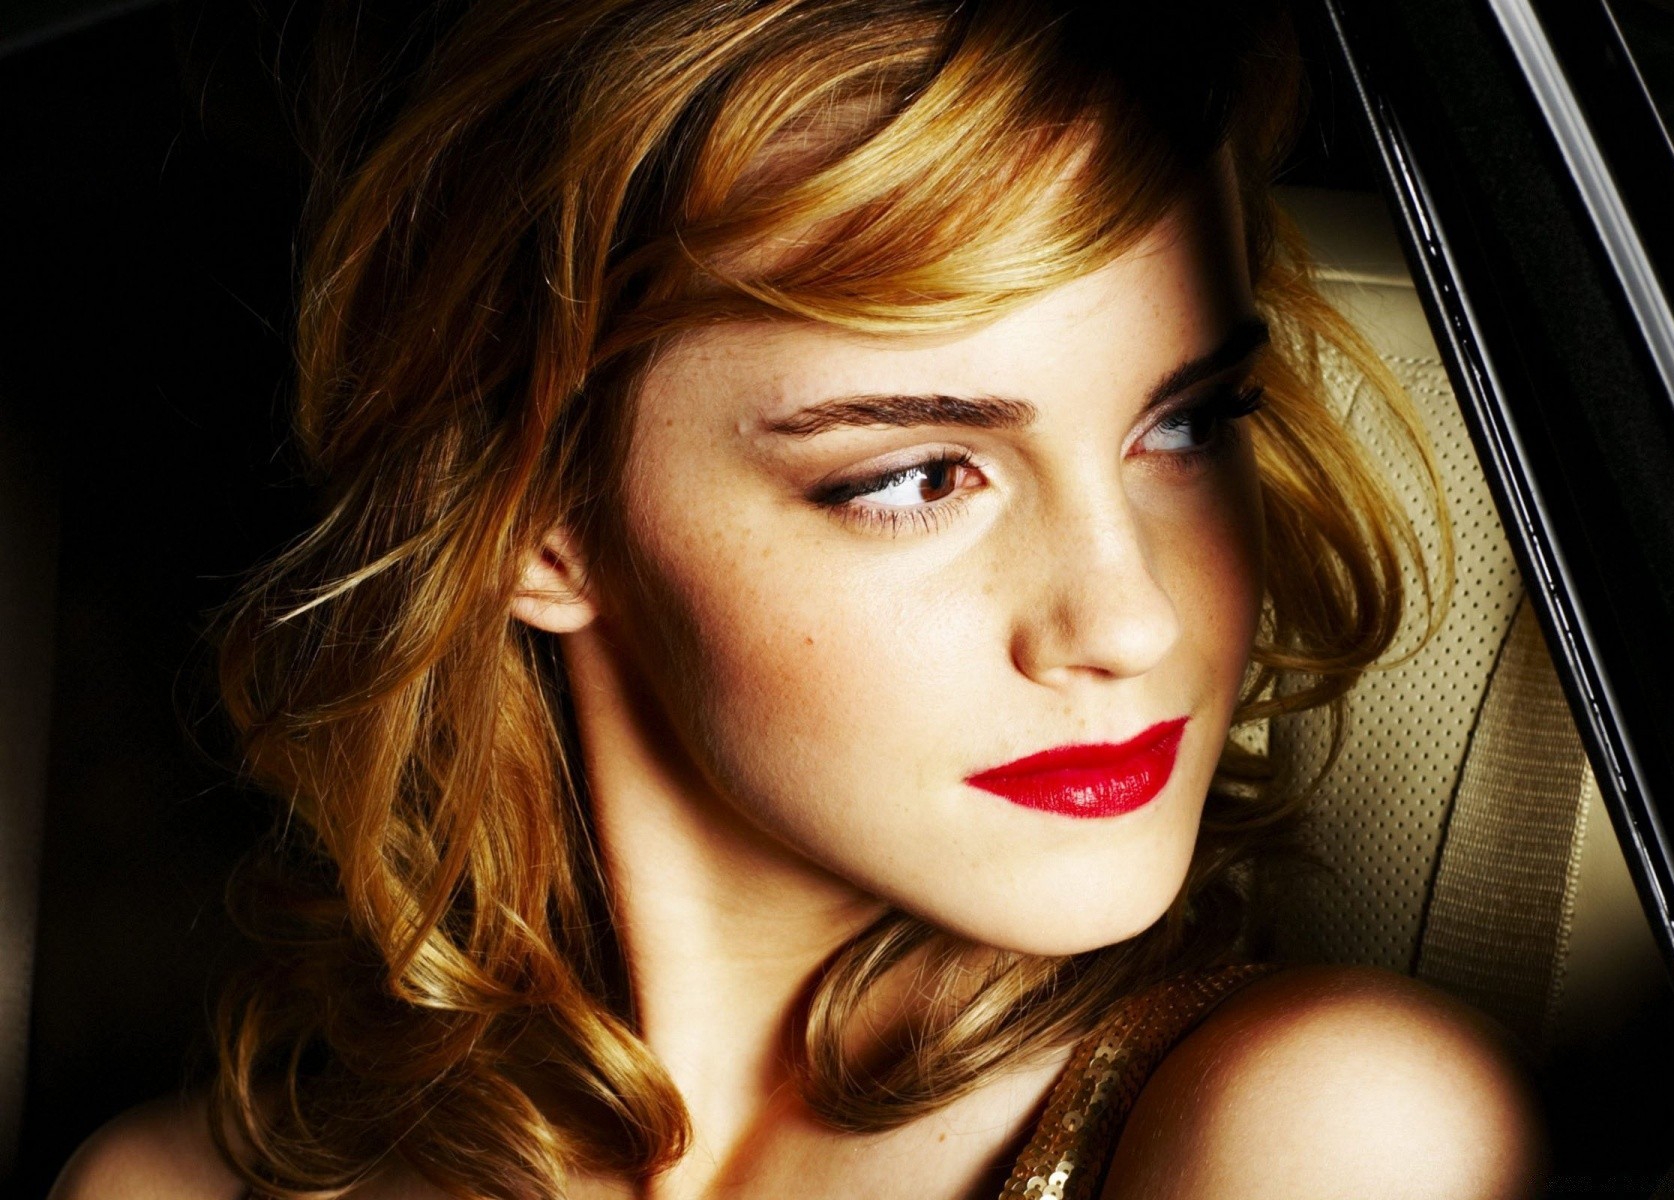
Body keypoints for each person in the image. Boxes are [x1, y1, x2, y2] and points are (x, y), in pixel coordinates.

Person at [51, 0, 1542, 1196]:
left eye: (1186, 425)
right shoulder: (170, 1182)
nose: (1132, 620)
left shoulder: (1323, 1127)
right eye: (918, 475)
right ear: (540, 525)